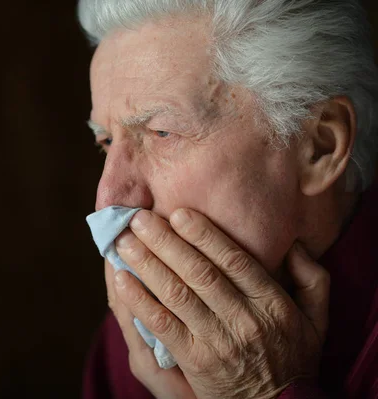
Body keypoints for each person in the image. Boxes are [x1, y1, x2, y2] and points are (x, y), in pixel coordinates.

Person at [78, 0, 378, 398]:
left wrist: (260, 392)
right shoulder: (141, 338)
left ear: (319, 147)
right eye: (107, 141)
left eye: (162, 133)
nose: (108, 199)